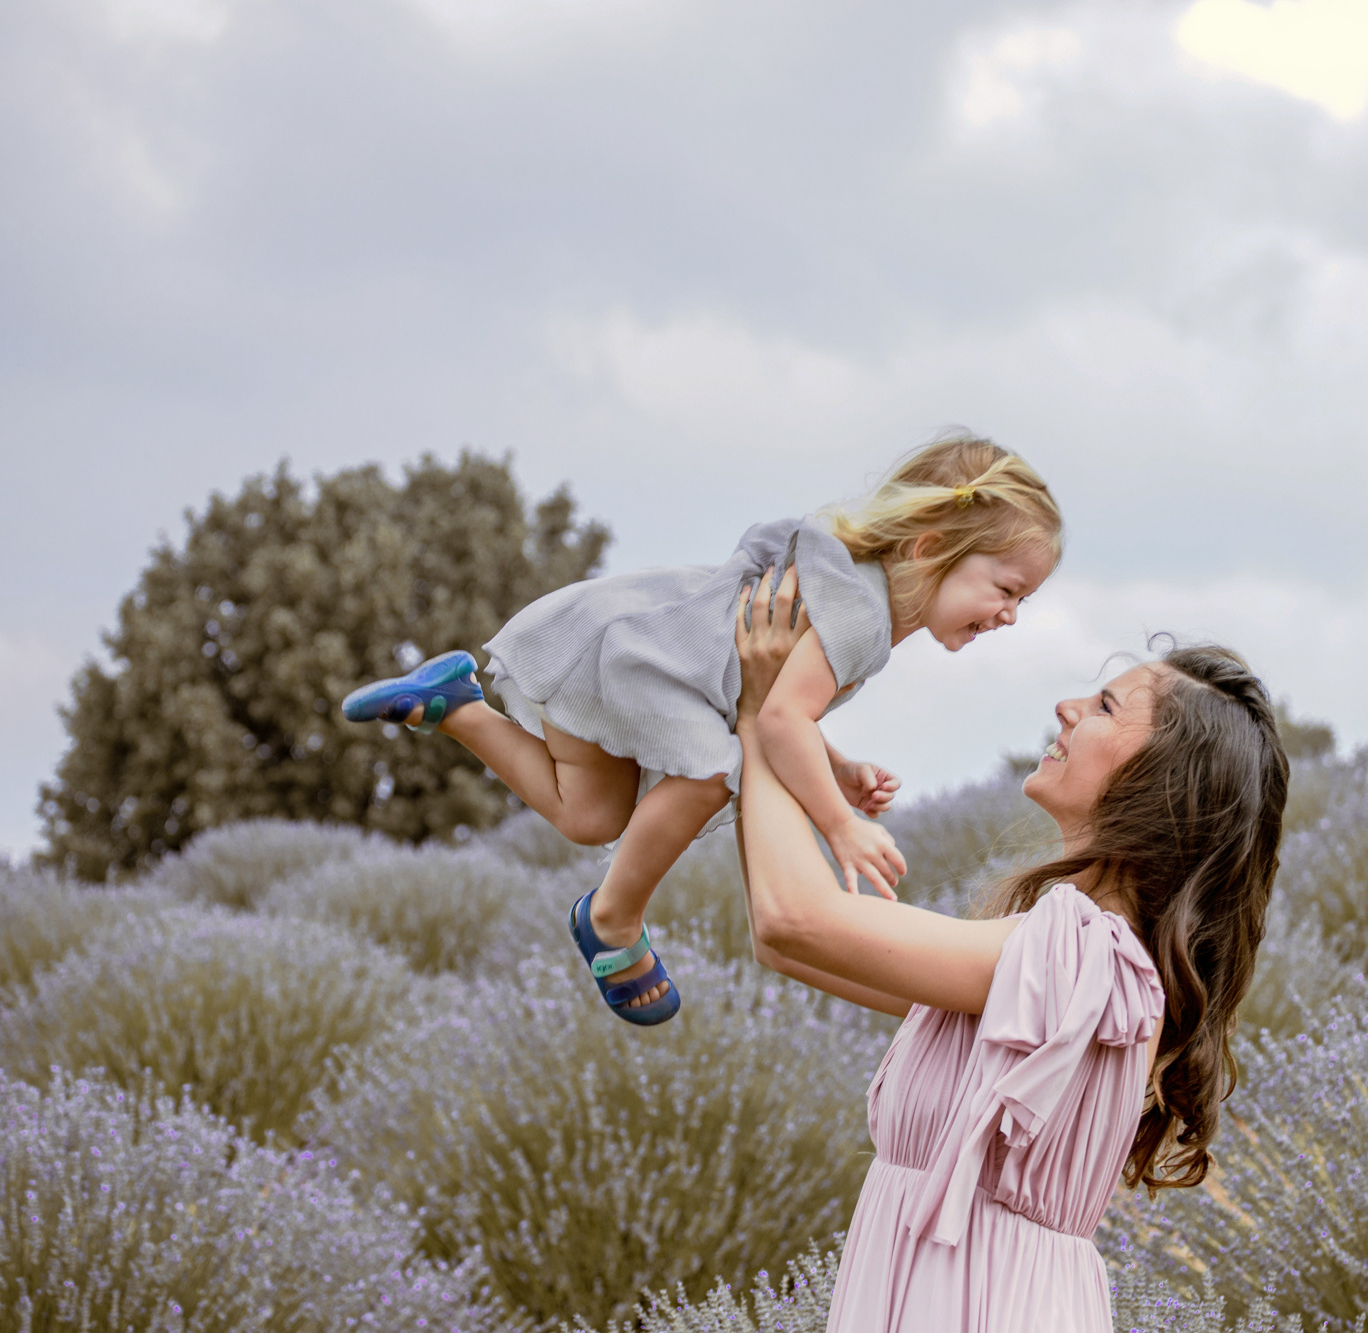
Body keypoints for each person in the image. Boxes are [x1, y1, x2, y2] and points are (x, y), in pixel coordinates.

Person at [730, 567, 1288, 1331]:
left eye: (1104, 705)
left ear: (1159, 781)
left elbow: (796, 917)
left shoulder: (1081, 957)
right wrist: (784, 739)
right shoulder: (1070, 964)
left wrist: (766, 710)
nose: (1066, 705)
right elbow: (785, 940)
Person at [340, 436, 1062, 1024]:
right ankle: (613, 919)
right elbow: (776, 718)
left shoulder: (857, 597)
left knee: (589, 817)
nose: (1009, 614)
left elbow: (784, 706)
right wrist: (838, 822)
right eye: (1006, 589)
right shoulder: (865, 615)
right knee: (715, 772)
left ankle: (456, 705)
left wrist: (833, 766)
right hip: (640, 661)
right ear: (929, 546)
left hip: (617, 651)